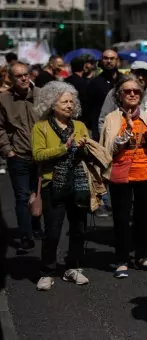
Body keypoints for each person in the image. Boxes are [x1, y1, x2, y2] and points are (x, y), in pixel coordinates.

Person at [100, 75, 147, 278]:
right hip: (120, 173)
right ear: (119, 95)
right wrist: (127, 130)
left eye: (136, 91)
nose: (132, 94)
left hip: (144, 172)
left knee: (144, 217)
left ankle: (142, 256)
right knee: (121, 218)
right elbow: (108, 149)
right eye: (127, 91)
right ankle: (121, 260)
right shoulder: (112, 118)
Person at [31, 81, 91, 291]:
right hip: (52, 184)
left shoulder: (80, 126)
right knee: (53, 232)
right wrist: (63, 148)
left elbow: (88, 154)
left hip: (78, 183)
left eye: (71, 101)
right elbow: (38, 155)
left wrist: (84, 148)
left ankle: (73, 267)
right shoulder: (42, 126)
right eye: (64, 101)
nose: (69, 105)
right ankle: (47, 271)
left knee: (78, 230)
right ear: (51, 103)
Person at [0, 62, 43, 253]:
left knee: (39, 192)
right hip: (18, 155)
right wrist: (8, 150)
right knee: (22, 196)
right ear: (11, 78)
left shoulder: (41, 95)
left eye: (26, 74)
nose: (24, 78)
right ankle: (26, 237)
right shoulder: (4, 99)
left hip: (42, 155)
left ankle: (35, 225)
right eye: (19, 76)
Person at [99, 61, 147, 132]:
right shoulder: (115, 92)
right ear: (130, 74)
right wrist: (108, 140)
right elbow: (103, 121)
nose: (141, 77)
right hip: (118, 140)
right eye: (137, 73)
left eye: (145, 74)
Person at [86, 49, 122, 140]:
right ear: (102, 60)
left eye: (112, 58)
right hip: (102, 129)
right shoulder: (94, 83)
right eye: (106, 58)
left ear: (117, 60)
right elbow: (89, 108)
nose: (109, 61)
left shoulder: (124, 80)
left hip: (122, 126)